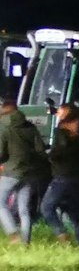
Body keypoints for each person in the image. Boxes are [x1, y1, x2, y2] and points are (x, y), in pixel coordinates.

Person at [0, 96, 51, 244]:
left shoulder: (3, 127)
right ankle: (26, 243)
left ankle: (12, 232)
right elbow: (41, 150)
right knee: (24, 209)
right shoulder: (30, 126)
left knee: (0, 203)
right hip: (30, 173)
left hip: (10, 172)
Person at [42, 104, 79, 245]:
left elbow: (60, 150)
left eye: (60, 111)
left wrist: (52, 156)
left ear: (67, 114)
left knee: (47, 208)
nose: (58, 113)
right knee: (76, 214)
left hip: (63, 176)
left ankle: (63, 237)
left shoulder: (62, 131)